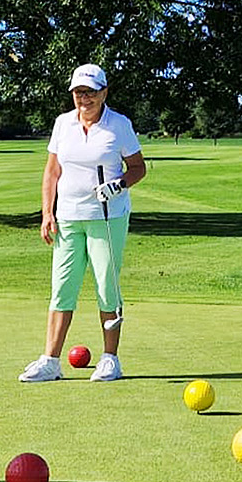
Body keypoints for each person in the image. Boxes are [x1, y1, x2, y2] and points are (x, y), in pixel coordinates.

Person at [20, 64, 147, 383]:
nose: (84, 98)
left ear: (104, 92)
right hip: (68, 218)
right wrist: (47, 213)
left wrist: (118, 185)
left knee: (107, 287)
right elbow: (52, 172)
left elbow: (138, 168)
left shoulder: (119, 125)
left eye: (90, 92)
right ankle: (50, 360)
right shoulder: (63, 124)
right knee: (62, 289)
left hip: (107, 218)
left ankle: (110, 359)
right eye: (79, 92)